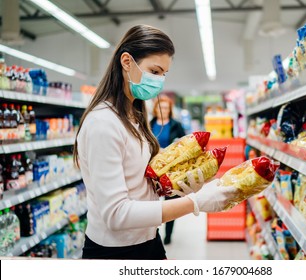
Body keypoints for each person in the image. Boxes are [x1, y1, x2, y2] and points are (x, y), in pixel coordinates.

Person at [73, 24, 238, 260]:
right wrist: (195, 203)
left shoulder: (133, 116)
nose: (160, 81)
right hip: (115, 253)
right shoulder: (102, 124)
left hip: (148, 241)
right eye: (155, 70)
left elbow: (138, 181)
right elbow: (117, 214)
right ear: (127, 62)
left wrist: (180, 183)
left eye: (163, 74)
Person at [150, 95, 185, 245]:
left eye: (165, 107)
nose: (163, 110)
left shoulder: (176, 125)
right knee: (151, 202)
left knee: (170, 201)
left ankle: (168, 235)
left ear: (170, 110)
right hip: (152, 169)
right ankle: (152, 232)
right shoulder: (148, 124)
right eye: (160, 107)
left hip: (172, 171)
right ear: (155, 109)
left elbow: (185, 144)